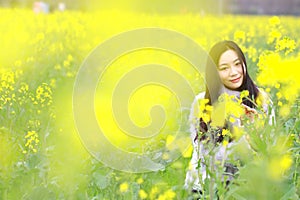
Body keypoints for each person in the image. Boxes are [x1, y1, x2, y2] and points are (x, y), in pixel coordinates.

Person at [184, 40, 275, 196]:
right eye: (224, 68)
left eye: (237, 64)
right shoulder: (201, 103)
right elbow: (198, 153)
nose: (234, 72)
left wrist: (253, 132)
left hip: (247, 186)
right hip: (208, 186)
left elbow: (269, 153)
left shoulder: (261, 100)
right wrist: (197, 187)